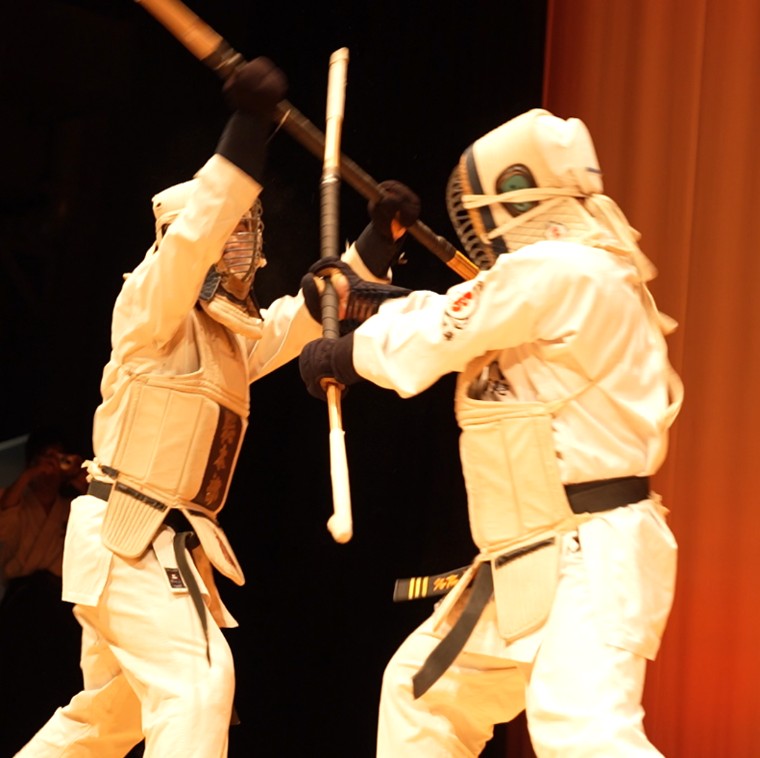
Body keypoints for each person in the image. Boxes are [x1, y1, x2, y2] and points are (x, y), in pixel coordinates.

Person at [16, 55, 419, 758]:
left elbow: (304, 318)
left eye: (245, 229)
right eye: (227, 229)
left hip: (152, 543)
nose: (238, 243)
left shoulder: (230, 338)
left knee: (107, 719)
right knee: (198, 686)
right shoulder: (149, 306)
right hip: (130, 535)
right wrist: (246, 130)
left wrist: (376, 245)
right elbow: (192, 239)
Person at [298, 108, 684, 756]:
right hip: (532, 550)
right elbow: (475, 313)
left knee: (582, 733)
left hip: (588, 552)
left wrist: (348, 354)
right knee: (421, 698)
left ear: (512, 197)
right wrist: (371, 298)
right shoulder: (578, 270)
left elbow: (452, 328)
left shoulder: (566, 267)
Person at [0, 426, 87, 602]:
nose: (52, 464)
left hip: (61, 596)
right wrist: (30, 473)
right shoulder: (12, 498)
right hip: (20, 596)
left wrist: (81, 476)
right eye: (47, 455)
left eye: (59, 458)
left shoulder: (73, 508)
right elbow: (6, 511)